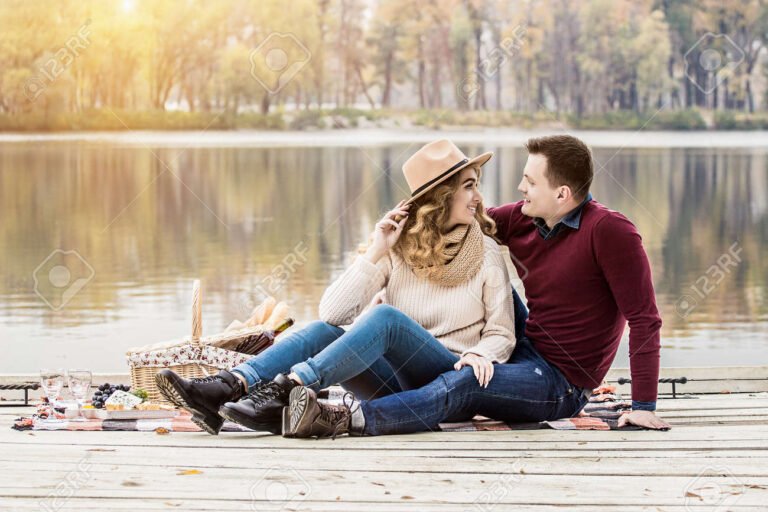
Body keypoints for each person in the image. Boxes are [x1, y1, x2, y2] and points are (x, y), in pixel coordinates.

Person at [283, 134, 670, 438]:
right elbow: (459, 217)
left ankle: (346, 418)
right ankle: (272, 390)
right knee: (474, 309)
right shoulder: (526, 218)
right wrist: (393, 239)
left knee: (464, 381)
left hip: (560, 384)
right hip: (525, 348)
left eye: (530, 181)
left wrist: (644, 405)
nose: (520, 187)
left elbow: (645, 320)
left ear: (562, 194)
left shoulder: (611, 233)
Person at [155, 139, 516, 435]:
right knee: (322, 332)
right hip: (393, 383)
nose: (479, 197)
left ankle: (288, 388)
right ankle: (228, 386)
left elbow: (502, 332)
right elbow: (332, 313)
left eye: (476, 184)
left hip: (447, 378)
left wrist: (481, 354)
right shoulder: (399, 249)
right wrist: (376, 250)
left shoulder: (485, 253)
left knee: (385, 318)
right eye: (469, 186)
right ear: (441, 195)